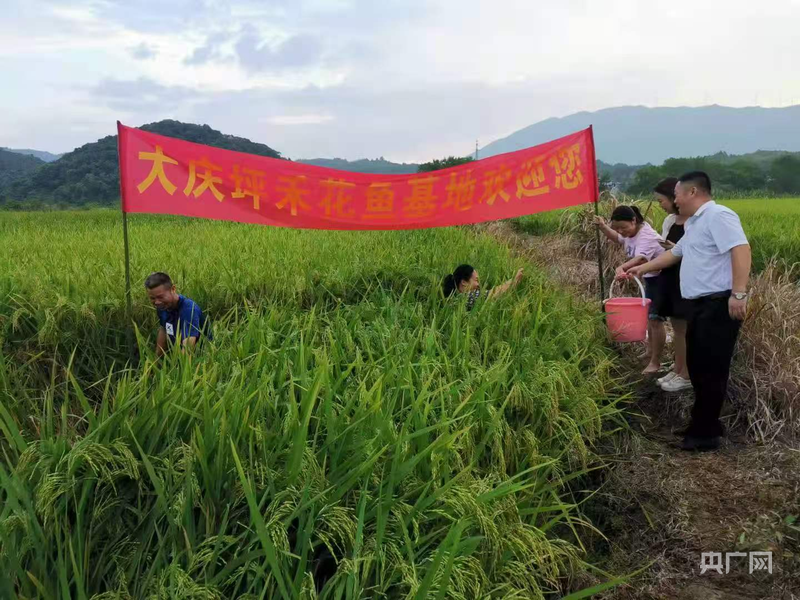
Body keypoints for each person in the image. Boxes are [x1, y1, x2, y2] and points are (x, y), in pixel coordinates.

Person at [627, 171, 751, 451]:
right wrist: (640, 268)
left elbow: (741, 249)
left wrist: (738, 293)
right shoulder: (695, 223)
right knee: (697, 366)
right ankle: (703, 423)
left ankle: (704, 435)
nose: (675, 200)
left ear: (693, 192)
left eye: (678, 194)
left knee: (711, 369)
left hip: (718, 303)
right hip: (697, 304)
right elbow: (675, 253)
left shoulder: (719, 215)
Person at [594, 205, 666, 375]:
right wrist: (604, 226)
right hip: (651, 278)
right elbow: (618, 238)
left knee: (656, 320)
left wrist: (622, 267)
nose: (621, 231)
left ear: (634, 220)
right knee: (650, 318)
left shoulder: (646, 236)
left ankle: (656, 361)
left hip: (663, 279)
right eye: (616, 227)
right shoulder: (631, 232)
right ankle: (650, 352)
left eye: (624, 227)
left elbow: (641, 259)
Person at [652, 177, 692, 393]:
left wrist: (675, 247)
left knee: (685, 330)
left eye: (662, 201)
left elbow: (699, 254)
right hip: (669, 276)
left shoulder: (695, 222)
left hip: (685, 278)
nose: (661, 205)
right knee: (676, 328)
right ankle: (677, 368)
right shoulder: (669, 222)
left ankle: (686, 374)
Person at [144, 272, 211, 356]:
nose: (157, 302)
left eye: (161, 297)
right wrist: (155, 362)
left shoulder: (189, 310)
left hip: (201, 358)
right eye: (152, 298)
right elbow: (164, 329)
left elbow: (188, 348)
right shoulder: (162, 306)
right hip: (177, 353)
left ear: (173, 289)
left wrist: (178, 368)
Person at [441, 264, 524, 308]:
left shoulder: (452, 300)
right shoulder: (465, 298)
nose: (478, 285)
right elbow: (494, 294)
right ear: (464, 282)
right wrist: (514, 279)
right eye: (476, 280)